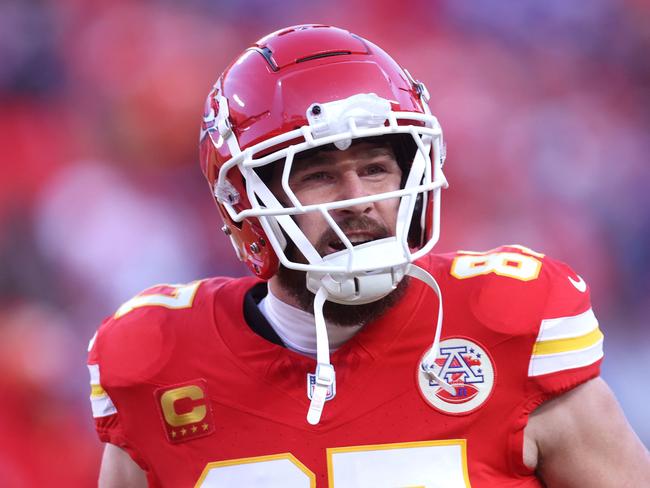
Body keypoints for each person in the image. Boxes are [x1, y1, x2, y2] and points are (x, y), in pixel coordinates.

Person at [87, 24, 650, 487]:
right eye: (319, 176)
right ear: (248, 204)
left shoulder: (508, 325)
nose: (359, 200)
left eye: (376, 168)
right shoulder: (156, 364)